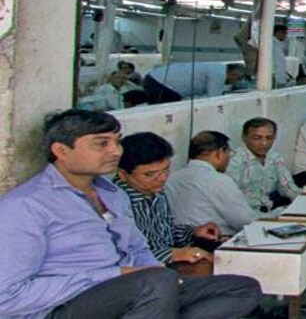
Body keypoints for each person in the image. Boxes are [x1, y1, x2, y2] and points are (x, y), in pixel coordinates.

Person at [0, 110, 261, 319]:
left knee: (243, 288)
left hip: (133, 292)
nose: (115, 151)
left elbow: (138, 247)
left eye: (116, 141)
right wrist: (115, 275)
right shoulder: (27, 205)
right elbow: (6, 297)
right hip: (64, 306)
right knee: (155, 284)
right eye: (101, 144)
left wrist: (155, 268)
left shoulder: (113, 194)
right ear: (61, 151)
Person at [116, 132, 221, 265]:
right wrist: (173, 253)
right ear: (123, 174)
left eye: (165, 170)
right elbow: (125, 255)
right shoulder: (116, 202)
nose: (162, 178)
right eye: (149, 174)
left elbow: (166, 233)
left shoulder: (154, 191)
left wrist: (194, 232)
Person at [165, 131, 258, 236]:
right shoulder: (220, 180)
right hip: (214, 241)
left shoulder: (171, 178)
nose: (229, 158)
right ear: (219, 152)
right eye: (229, 153)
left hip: (179, 241)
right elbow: (245, 221)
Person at [226, 117, 299, 213]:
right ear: (244, 137)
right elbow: (230, 201)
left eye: (269, 138)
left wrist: (302, 200)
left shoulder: (274, 156)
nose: (264, 143)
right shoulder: (234, 162)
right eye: (257, 138)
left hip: (270, 209)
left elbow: (287, 186)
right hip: (245, 214)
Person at [143, 62, 244, 104]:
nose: (234, 82)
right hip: (160, 83)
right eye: (237, 79)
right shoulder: (219, 73)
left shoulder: (217, 68)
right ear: (233, 75)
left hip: (156, 79)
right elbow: (213, 99)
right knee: (166, 111)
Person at [272, 23, 289, 87]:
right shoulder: (272, 44)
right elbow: (270, 62)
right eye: (285, 33)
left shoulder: (280, 44)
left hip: (280, 77)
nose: (286, 36)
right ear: (279, 32)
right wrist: (272, 75)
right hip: (273, 77)